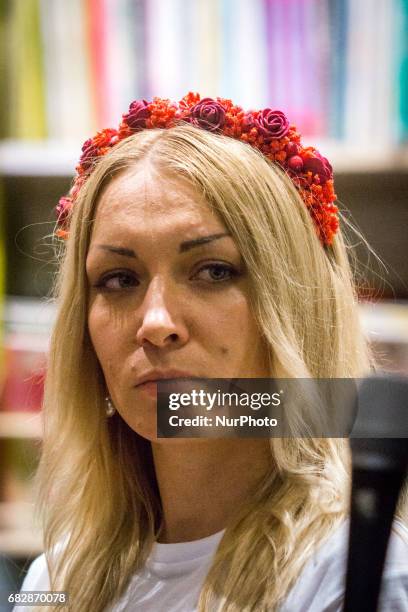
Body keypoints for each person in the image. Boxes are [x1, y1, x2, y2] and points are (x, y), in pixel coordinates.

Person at [15, 93, 407, 612]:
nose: (155, 323)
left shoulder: (360, 570)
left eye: (214, 271)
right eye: (119, 279)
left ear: (294, 303)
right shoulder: (56, 576)